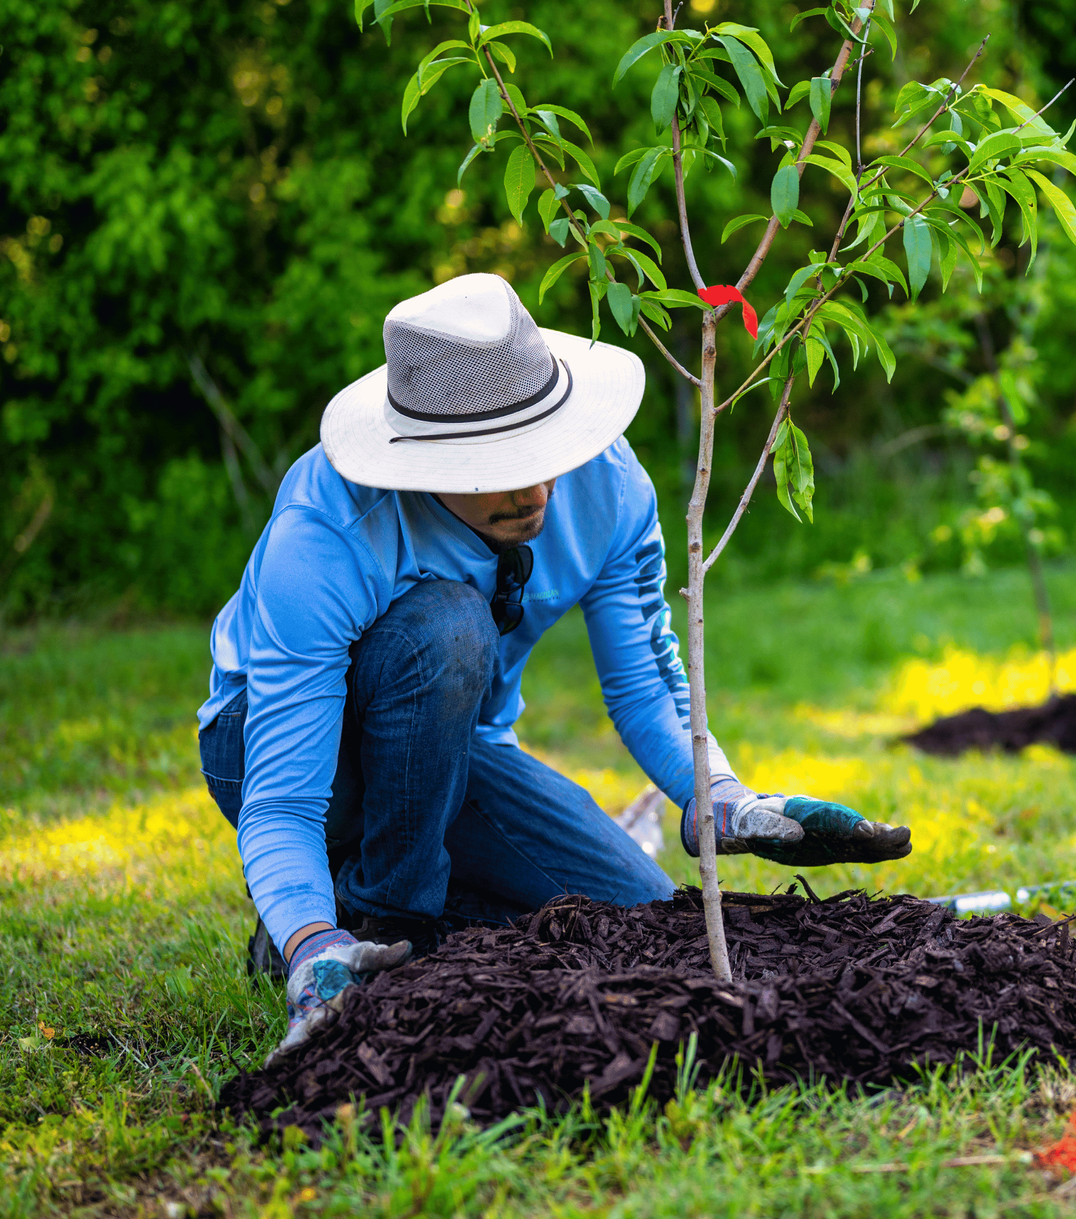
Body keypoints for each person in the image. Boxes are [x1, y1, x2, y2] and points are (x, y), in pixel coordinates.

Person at [196, 273, 910, 1063]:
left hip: (457, 753)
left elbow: (646, 682)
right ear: (422, 460)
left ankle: (384, 912)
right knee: (448, 625)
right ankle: (361, 927)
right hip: (275, 749)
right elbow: (282, 801)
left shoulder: (607, 486)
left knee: (633, 916)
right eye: (494, 463)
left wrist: (724, 801)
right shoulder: (329, 533)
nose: (536, 486)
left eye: (546, 450)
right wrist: (310, 942)